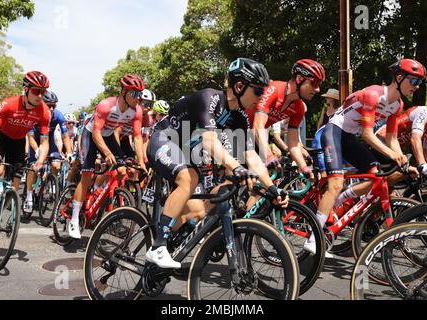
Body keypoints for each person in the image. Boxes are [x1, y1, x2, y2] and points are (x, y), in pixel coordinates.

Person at [145, 58, 288, 269]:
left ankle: (169, 244)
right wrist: (236, 166)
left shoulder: (239, 117)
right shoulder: (210, 98)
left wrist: (273, 189)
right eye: (258, 91)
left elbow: (251, 156)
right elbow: (209, 140)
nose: (260, 98)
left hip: (187, 153)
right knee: (189, 178)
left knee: (199, 210)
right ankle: (158, 246)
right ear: (239, 86)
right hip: (163, 140)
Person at [306, 58, 427, 256]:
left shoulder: (397, 105)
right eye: (414, 81)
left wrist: (401, 160)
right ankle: (314, 238)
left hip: (349, 137)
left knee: (378, 175)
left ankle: (342, 199)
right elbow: (368, 134)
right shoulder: (373, 94)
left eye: (420, 83)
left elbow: (392, 138)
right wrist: (393, 155)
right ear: (399, 77)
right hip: (334, 131)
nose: (416, 87)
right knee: (336, 183)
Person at [69, 74, 147, 239]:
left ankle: (98, 193)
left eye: (140, 94)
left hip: (108, 135)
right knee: (87, 175)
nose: (138, 99)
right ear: (124, 92)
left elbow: (138, 137)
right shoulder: (106, 105)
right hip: (90, 135)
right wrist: (107, 153)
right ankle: (74, 219)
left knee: (122, 170)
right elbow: (96, 133)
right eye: (134, 94)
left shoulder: (137, 111)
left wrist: (141, 162)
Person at [245, 59, 325, 177]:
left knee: (261, 188)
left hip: (253, 137)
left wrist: (304, 167)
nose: (317, 89)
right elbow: (258, 126)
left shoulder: (299, 108)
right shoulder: (274, 89)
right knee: (234, 181)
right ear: (299, 79)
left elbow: (293, 142)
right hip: (235, 129)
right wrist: (268, 155)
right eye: (314, 83)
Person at [0, 71, 51, 199]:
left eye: (43, 92)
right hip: (2, 138)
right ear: (26, 89)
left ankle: (7, 206)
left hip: (19, 141)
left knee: (16, 182)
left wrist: (40, 163)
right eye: (36, 91)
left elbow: (44, 143)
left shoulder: (44, 111)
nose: (39, 96)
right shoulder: (9, 104)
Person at [23, 90, 72, 214]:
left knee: (56, 165)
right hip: (36, 142)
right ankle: (29, 196)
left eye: (53, 106)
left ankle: (51, 183)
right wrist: (36, 150)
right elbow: (31, 138)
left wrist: (69, 152)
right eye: (48, 105)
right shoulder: (33, 114)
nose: (51, 108)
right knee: (34, 168)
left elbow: (65, 136)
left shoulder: (58, 116)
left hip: (49, 142)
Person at [375, 88, 427, 175]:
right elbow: (415, 138)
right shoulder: (424, 112)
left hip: (396, 148)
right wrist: (422, 164)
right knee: (405, 174)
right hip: (382, 139)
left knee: (410, 175)